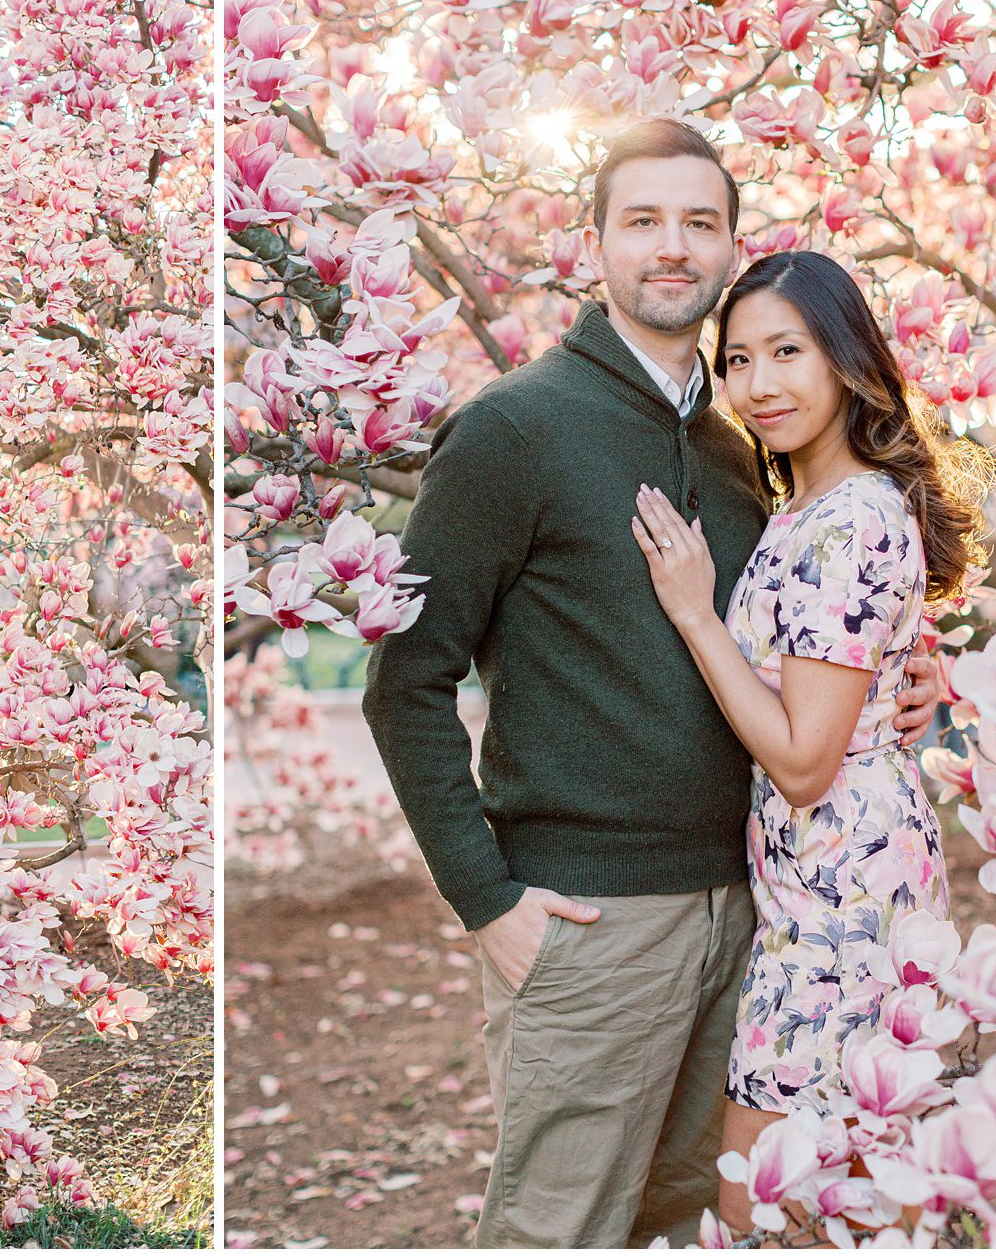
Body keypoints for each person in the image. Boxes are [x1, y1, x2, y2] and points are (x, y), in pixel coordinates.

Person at [360, 119, 939, 1248]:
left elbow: (816, 626)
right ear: (593, 245)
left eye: (697, 223)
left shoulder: (739, 452)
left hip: (756, 916)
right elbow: (406, 678)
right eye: (641, 222)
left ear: (728, 248)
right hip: (592, 917)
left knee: (688, 1225)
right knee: (559, 1229)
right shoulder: (510, 430)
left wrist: (917, 680)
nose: (669, 248)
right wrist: (485, 900)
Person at [630, 250, 992, 1236]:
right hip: (819, 878)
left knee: (766, 1198)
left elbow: (798, 762)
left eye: (785, 351)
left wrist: (693, 614)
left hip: (844, 896)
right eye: (736, 360)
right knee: (826, 1191)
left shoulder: (852, 521)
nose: (757, 384)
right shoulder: (810, 510)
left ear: (844, 359)